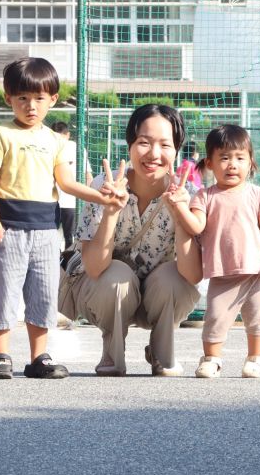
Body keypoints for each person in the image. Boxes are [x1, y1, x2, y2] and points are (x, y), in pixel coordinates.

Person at [0, 57, 118, 380]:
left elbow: (66, 183)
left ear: (52, 100)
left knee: (43, 293)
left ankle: (38, 357)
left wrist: (101, 196)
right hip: (9, 229)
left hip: (45, 231)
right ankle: (0, 356)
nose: (31, 106)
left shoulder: (55, 141)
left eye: (39, 98)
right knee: (4, 293)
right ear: (8, 98)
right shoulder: (1, 134)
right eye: (23, 98)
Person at [59, 104, 201, 377]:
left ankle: (162, 353)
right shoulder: (104, 185)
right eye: (144, 143)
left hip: (158, 293)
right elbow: (94, 267)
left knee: (174, 279)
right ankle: (112, 352)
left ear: (177, 149)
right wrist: (111, 211)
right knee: (116, 275)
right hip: (108, 289)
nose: (154, 154)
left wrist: (180, 214)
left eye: (165, 145)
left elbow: (193, 274)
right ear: (130, 144)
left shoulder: (191, 194)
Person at [168, 124, 260, 379]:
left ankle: (256, 359)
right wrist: (179, 207)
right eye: (224, 158)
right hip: (221, 272)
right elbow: (195, 226)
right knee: (215, 318)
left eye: (239, 158)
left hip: (257, 271)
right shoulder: (204, 196)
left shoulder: (258, 194)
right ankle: (212, 358)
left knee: (257, 318)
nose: (232, 164)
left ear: (250, 163)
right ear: (209, 163)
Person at [50, 121, 93, 252]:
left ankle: (67, 266)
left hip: (71, 201)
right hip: (52, 201)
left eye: (61, 137)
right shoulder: (48, 147)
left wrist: (90, 196)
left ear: (68, 135)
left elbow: (88, 175)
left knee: (70, 237)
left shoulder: (77, 148)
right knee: (50, 236)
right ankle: (53, 263)